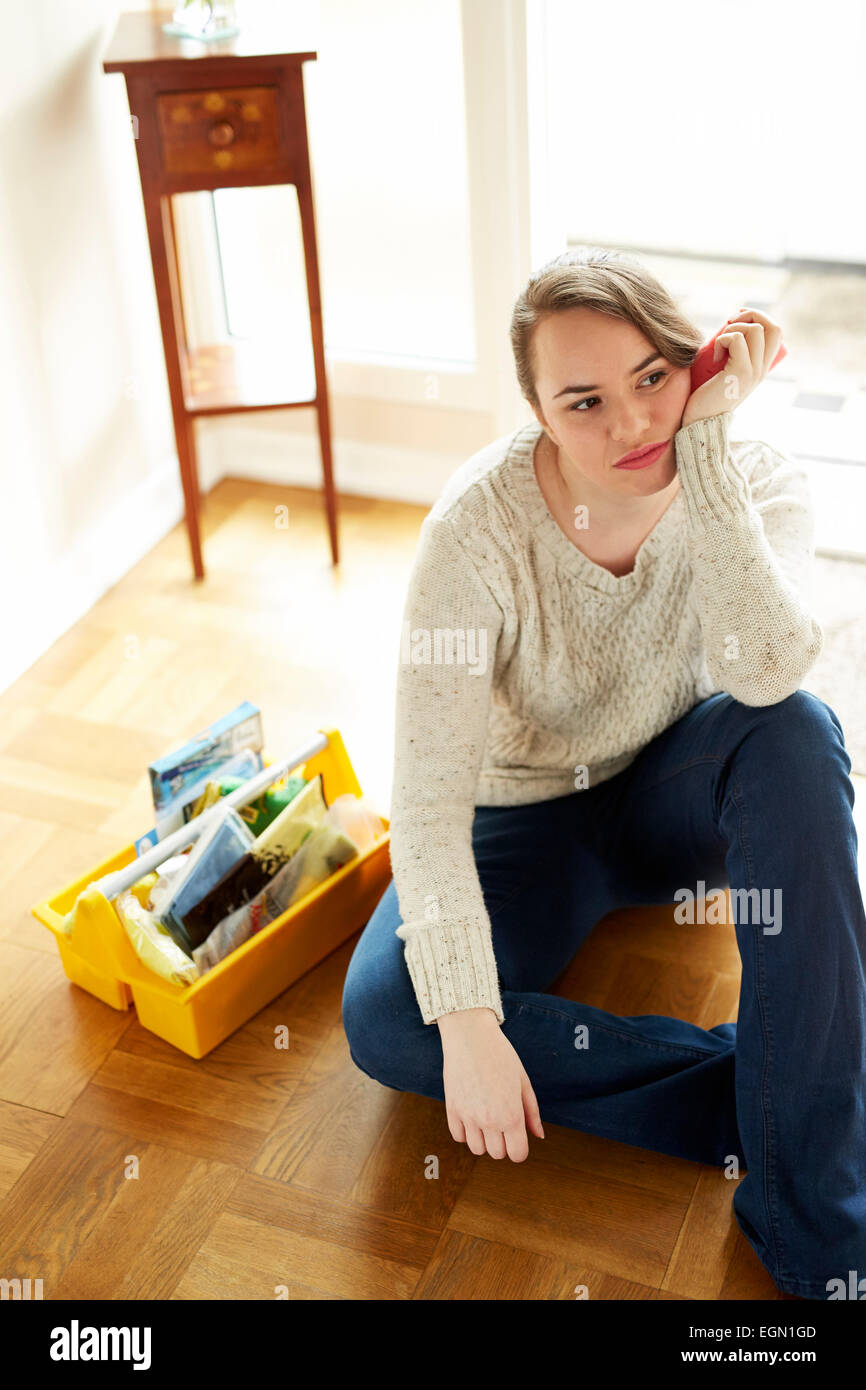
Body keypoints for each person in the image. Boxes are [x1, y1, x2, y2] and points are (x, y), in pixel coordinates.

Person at [341, 246, 866, 1300]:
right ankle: (797, 1090)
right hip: (522, 818)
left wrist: (706, 452)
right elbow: (429, 805)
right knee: (397, 1022)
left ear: (694, 366)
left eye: (651, 379)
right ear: (536, 411)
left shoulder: (752, 479)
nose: (629, 425)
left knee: (798, 730)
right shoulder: (473, 533)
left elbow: (764, 672)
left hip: (677, 789)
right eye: (582, 400)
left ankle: (816, 1231)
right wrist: (473, 1026)